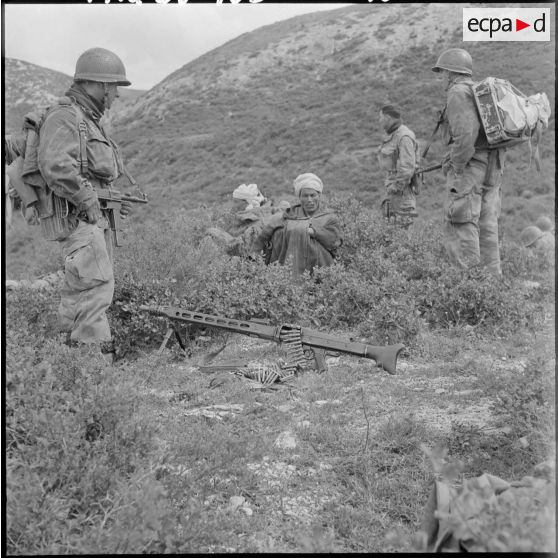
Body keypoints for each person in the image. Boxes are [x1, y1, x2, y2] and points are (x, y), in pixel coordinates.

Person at [36, 47, 135, 355]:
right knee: (95, 290)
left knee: (79, 293)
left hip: (90, 220)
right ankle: (94, 366)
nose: (117, 94)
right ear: (102, 84)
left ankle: (68, 360)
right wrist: (88, 199)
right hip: (79, 220)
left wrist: (111, 199)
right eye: (115, 86)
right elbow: (55, 165)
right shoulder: (66, 116)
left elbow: (89, 173)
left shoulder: (88, 120)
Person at [432, 48, 505, 276]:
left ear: (450, 73)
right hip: (492, 166)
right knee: (487, 225)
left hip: (471, 168)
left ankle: (469, 285)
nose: (441, 78)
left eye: (442, 73)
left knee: (460, 222)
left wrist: (456, 165)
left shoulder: (457, 92)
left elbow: (466, 134)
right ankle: (492, 284)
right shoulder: (476, 91)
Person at [252, 173, 342, 277]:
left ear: (319, 196)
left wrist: (314, 232)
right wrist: (254, 256)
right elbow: (265, 234)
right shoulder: (289, 215)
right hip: (289, 266)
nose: (309, 200)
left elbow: (335, 241)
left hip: (321, 267)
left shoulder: (329, 217)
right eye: (305, 196)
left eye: (313, 195)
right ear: (299, 197)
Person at [377, 105, 418, 228]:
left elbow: (407, 168)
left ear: (388, 118)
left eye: (381, 117)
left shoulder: (404, 136)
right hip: (393, 196)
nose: (379, 120)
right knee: (389, 234)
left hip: (402, 196)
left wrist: (396, 187)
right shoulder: (394, 135)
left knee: (401, 235)